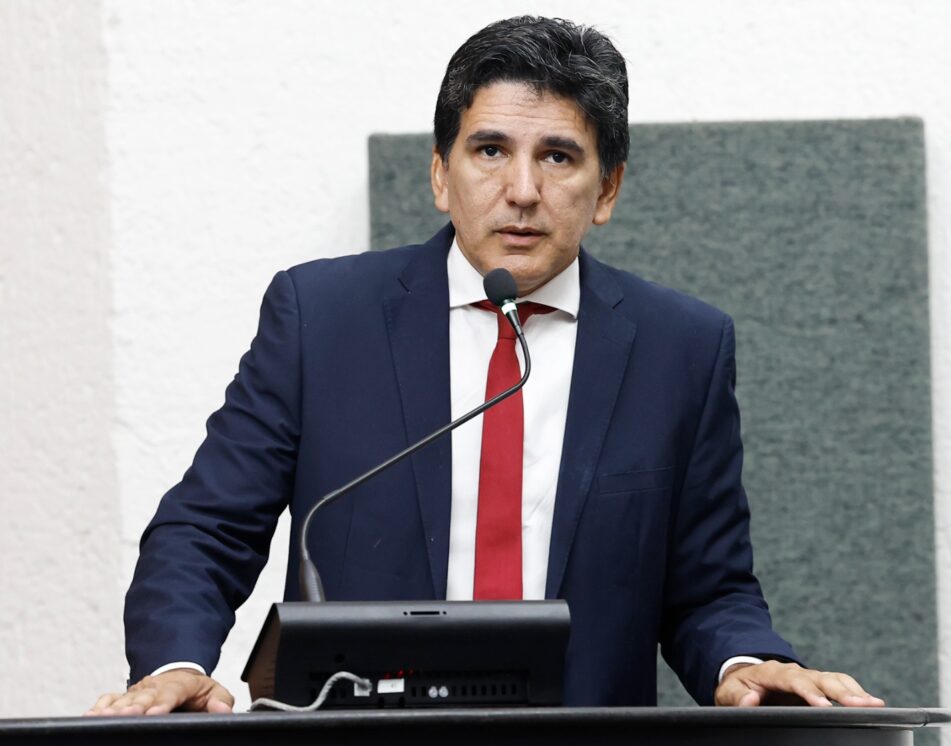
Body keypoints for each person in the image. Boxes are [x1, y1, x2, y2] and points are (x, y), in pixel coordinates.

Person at [88, 16, 884, 716]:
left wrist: (746, 662)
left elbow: (708, 587)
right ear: (441, 173)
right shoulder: (321, 320)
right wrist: (175, 663)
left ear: (607, 189)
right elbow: (207, 529)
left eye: (559, 157)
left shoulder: (681, 348)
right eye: (491, 150)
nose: (522, 190)